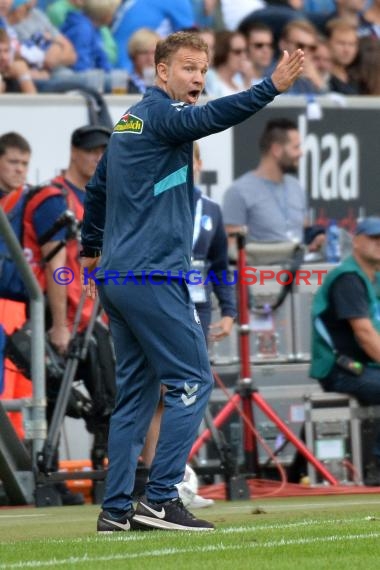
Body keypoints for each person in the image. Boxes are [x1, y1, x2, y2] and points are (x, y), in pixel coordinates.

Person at [80, 30, 304, 532]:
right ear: (162, 72)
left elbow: (96, 191)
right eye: (187, 68)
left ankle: (116, 510)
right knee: (193, 380)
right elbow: (209, 118)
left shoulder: (127, 125)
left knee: (136, 396)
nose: (198, 77)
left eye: (202, 68)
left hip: (121, 275)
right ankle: (161, 498)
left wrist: (91, 252)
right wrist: (269, 87)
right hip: (153, 273)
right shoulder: (163, 115)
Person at [310, 217, 380, 485]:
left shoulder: (371, 276)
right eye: (374, 238)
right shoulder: (348, 277)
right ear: (357, 241)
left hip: (364, 366)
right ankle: (376, 466)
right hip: (339, 369)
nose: (379, 244)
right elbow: (365, 335)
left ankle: (297, 468)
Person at [222, 118, 324, 252]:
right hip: (261, 271)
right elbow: (232, 250)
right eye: (296, 147)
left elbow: (303, 231)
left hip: (300, 270)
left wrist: (316, 238)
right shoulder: (238, 192)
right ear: (276, 149)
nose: (301, 153)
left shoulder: (297, 188)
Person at [0, 27, 36, 92]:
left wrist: (24, 76)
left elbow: (33, 100)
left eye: (6, 51)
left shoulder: (15, 68)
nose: (3, 57)